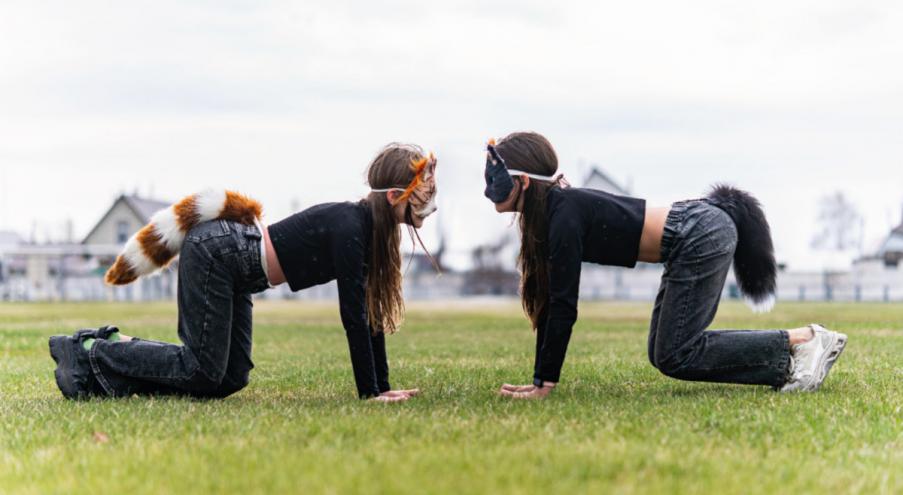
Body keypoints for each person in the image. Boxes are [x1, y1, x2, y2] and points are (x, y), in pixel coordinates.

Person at [49, 143, 438, 402]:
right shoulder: (352, 226)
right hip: (217, 253)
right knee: (201, 369)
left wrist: (384, 389)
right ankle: (92, 349)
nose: (425, 212)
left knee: (230, 378)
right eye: (421, 201)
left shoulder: (366, 230)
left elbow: (369, 316)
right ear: (393, 197)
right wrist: (370, 395)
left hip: (237, 268)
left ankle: (111, 363)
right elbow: (353, 315)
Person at [482, 131, 847, 399]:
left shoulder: (563, 214)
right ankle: (794, 358)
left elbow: (564, 304)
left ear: (524, 182)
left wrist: (545, 385)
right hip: (690, 237)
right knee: (665, 353)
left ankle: (806, 341)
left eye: (497, 180)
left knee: (675, 353)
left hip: (699, 233)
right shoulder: (553, 214)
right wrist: (539, 378)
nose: (489, 190)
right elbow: (549, 303)